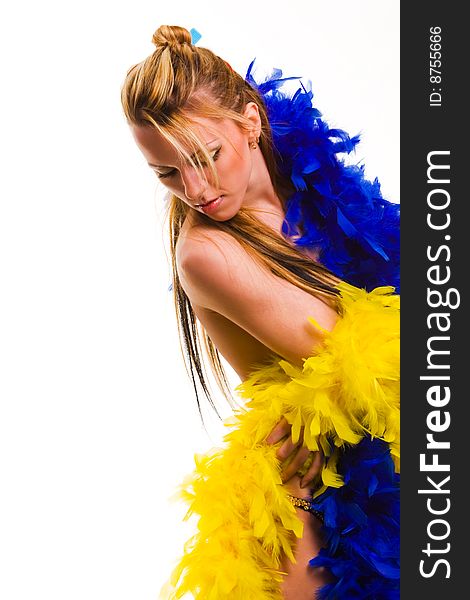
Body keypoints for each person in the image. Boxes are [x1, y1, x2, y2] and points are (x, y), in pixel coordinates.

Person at [120, 24, 400, 599]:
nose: (195, 189)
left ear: (251, 122)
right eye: (167, 173)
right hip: (317, 494)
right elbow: (367, 353)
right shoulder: (207, 255)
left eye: (205, 156)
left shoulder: (309, 172)